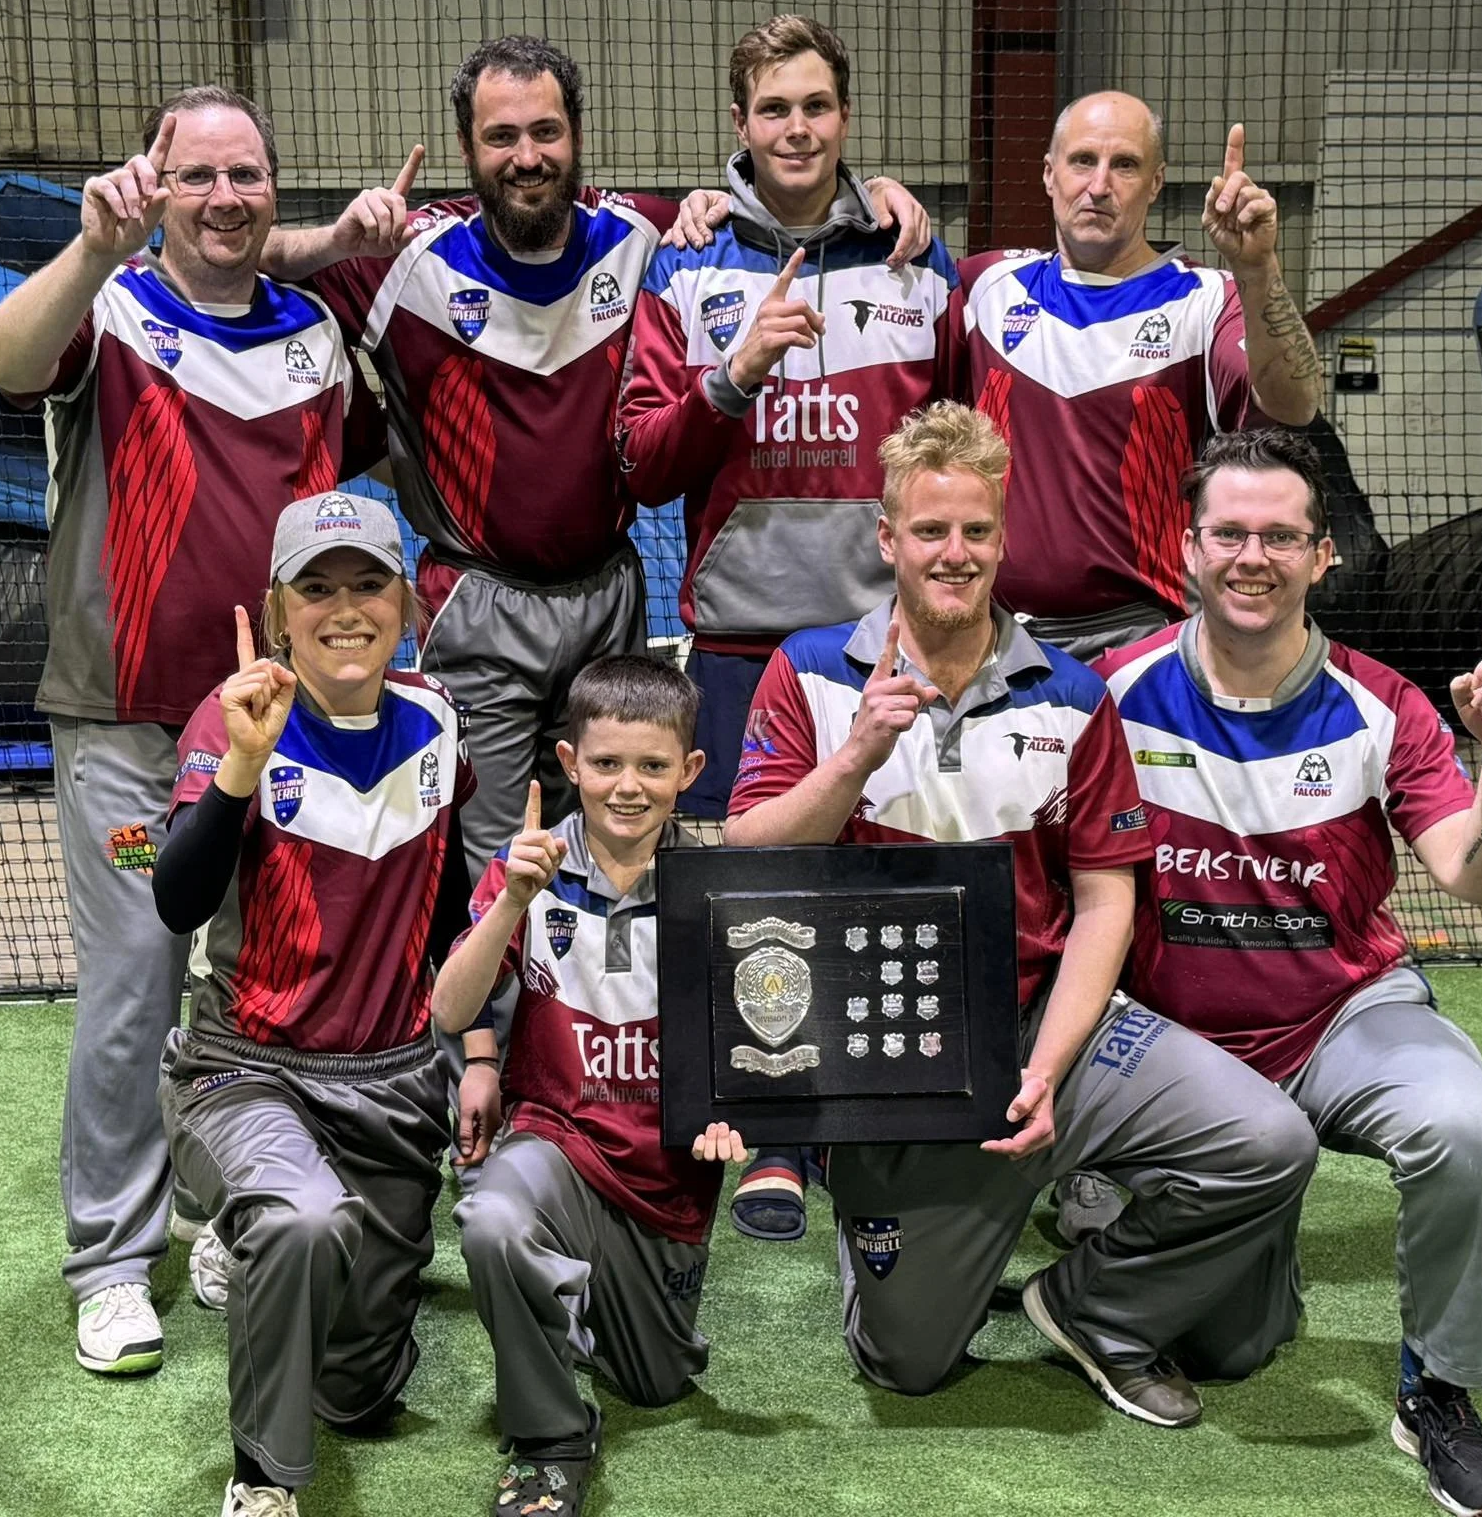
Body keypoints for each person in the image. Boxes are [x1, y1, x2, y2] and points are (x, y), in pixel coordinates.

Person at [726, 401, 1318, 1425]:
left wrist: (1045, 1066)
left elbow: (1103, 902)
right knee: (907, 1364)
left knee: (1267, 1142)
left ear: (1002, 538)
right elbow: (745, 859)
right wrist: (857, 755)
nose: (952, 555)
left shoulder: (1074, 695)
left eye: (974, 532)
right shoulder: (811, 672)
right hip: (888, 1056)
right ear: (886, 539)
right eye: (928, 531)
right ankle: (889, 1240)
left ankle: (1088, 1306)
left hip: (1045, 1027)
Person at [261, 35, 931, 880]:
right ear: (467, 147)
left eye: (546, 132)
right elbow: (234, 253)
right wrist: (333, 240)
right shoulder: (405, 258)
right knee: (496, 866)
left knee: (620, 853)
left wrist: (872, 194)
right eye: (501, 137)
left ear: (577, 134)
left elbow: (757, 204)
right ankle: (488, 1014)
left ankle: (597, 1015)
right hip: (477, 603)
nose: (527, 156)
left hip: (611, 599)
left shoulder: (646, 235)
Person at [0, 84, 380, 1375]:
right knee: (135, 993)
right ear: (155, 188)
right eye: (196, 176)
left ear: (276, 187)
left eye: (247, 175)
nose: (224, 198)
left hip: (279, 734)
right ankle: (109, 1258)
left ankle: (225, 1215)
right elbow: (1, 360)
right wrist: (94, 244)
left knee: (256, 999)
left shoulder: (316, 336)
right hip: (133, 731)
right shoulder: (111, 311)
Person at [1095, 428, 1482, 1516]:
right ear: (1187, 548)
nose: (1253, 557)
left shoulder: (1381, 704)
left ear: (1319, 555)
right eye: (1230, 534)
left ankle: (1436, 1393)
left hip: (1340, 1014)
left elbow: (1474, 881)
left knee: (1462, 1128)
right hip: (1179, 1048)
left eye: (1280, 537)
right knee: (1235, 1347)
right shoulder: (1107, 692)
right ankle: (1180, 1221)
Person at [616, 13, 956, 1240]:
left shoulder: (922, 260)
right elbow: (646, 461)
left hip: (888, 645)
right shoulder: (684, 264)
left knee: (887, 885)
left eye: (815, 106)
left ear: (845, 120)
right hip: (740, 644)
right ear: (739, 126)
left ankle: (875, 1135)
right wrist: (735, 373)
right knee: (745, 893)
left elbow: (962, 455)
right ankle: (765, 1136)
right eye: (772, 109)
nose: (796, 129)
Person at [150, 492, 486, 1517]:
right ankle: (260, 1482)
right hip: (247, 1065)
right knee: (297, 1223)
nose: (344, 609)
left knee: (358, 1392)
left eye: (367, 583)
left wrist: (473, 1050)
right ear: (279, 607)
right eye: (316, 587)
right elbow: (176, 899)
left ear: (405, 601)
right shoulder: (234, 717)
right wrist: (241, 772)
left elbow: (448, 906)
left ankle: (264, 1247)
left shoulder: (435, 717)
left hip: (390, 1081)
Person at [432, 655, 748, 1517]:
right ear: (570, 764)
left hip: (666, 1180)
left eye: (653, 767)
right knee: (494, 1220)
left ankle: (568, 1313)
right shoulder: (526, 868)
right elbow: (448, 1008)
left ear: (689, 773)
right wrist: (508, 904)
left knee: (656, 1385)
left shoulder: (720, 884)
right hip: (556, 1143)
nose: (628, 787)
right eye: (606, 764)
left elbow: (760, 1036)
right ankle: (549, 1440)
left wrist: (739, 1123)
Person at [952, 91, 1323, 660]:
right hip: (996, 637)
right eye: (1082, 161)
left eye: (1124, 165)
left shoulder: (1204, 301)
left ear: (1155, 183)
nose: (1099, 185)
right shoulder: (986, 287)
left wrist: (1257, 267)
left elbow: (1295, 404)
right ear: (1049, 175)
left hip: (1149, 639)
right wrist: (881, 193)